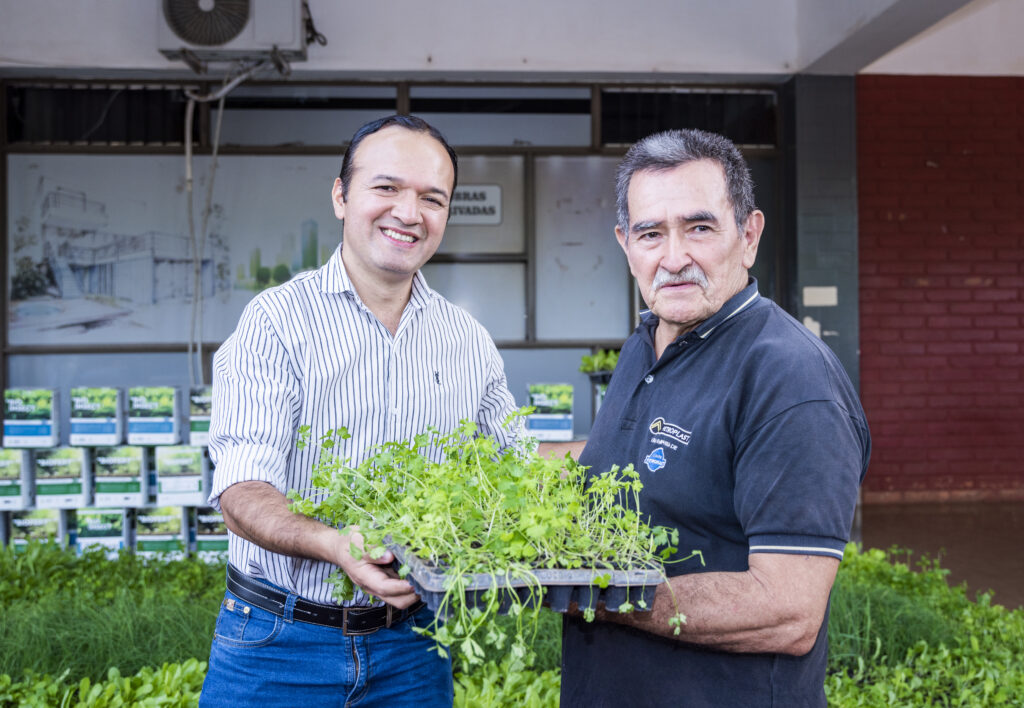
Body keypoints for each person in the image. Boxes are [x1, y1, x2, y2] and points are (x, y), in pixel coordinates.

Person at [199, 114, 521, 707]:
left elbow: (514, 471)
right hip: (278, 646)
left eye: (432, 198)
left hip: (414, 648)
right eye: (386, 188)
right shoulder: (275, 324)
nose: (409, 212)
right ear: (342, 196)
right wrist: (334, 545)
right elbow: (242, 490)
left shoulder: (468, 339)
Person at [559, 129, 870, 707]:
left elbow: (787, 610)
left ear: (748, 236)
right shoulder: (645, 345)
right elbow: (640, 465)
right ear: (626, 245)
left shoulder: (790, 381)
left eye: (699, 228)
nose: (674, 258)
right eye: (651, 233)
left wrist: (591, 593)